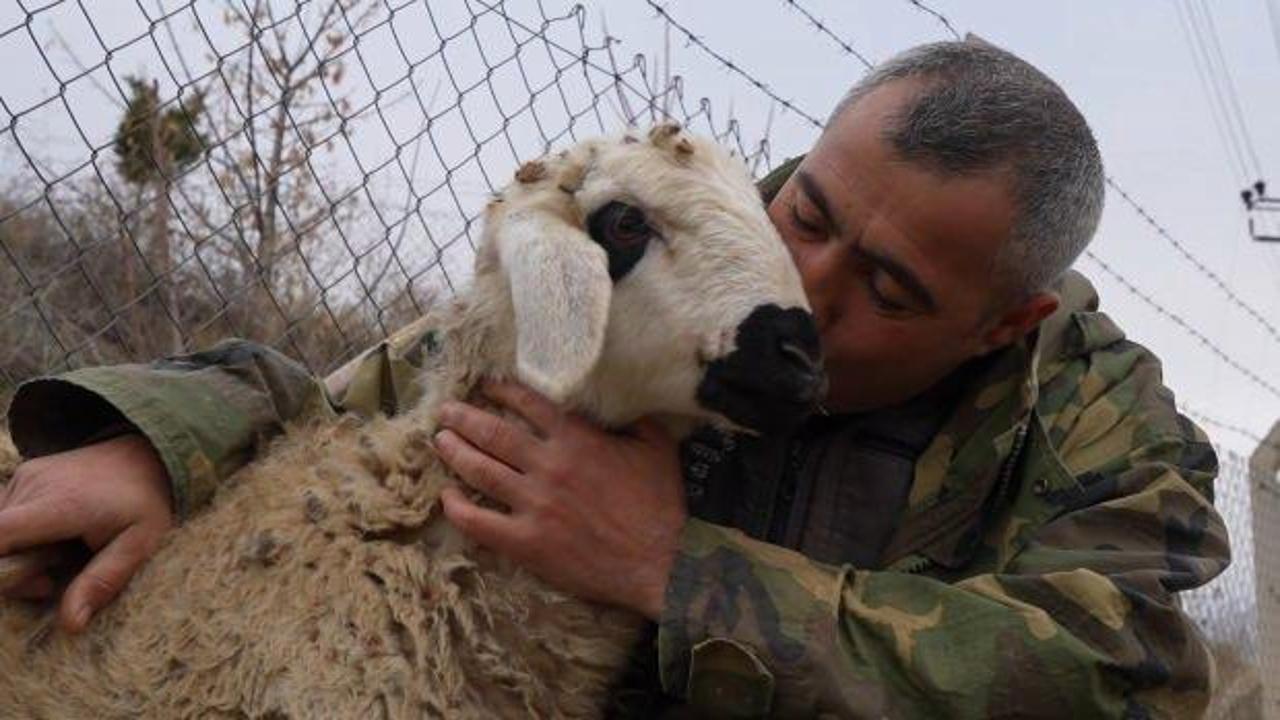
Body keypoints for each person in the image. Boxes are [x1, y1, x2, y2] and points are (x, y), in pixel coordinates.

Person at [0, 40, 1229, 717]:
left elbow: (1117, 678)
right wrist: (160, 440)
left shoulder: (1094, 423)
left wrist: (674, 573)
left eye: (891, 292)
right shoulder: (678, 261)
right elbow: (382, 396)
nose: (803, 287)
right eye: (804, 210)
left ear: (998, 322)